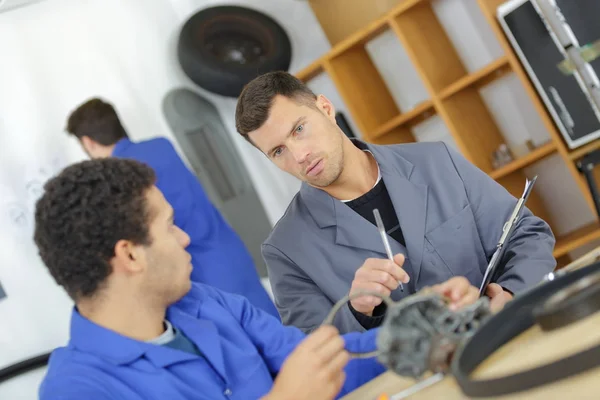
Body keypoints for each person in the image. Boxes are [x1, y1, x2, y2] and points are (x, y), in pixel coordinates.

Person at [34, 158, 385, 400]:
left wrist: (425, 324)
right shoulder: (77, 389)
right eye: (170, 225)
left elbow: (323, 363)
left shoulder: (205, 303)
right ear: (130, 255)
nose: (185, 238)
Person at [234, 71, 556, 334]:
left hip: (508, 338)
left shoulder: (436, 161)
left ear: (326, 109)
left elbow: (528, 236)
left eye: (299, 129)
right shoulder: (286, 251)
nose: (299, 155)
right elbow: (313, 355)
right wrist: (357, 311)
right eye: (278, 151)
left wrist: (511, 293)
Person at [65, 98, 279, 319]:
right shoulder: (161, 146)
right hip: (229, 254)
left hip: (197, 274)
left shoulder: (117, 176)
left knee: (243, 345)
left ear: (88, 143)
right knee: (277, 334)